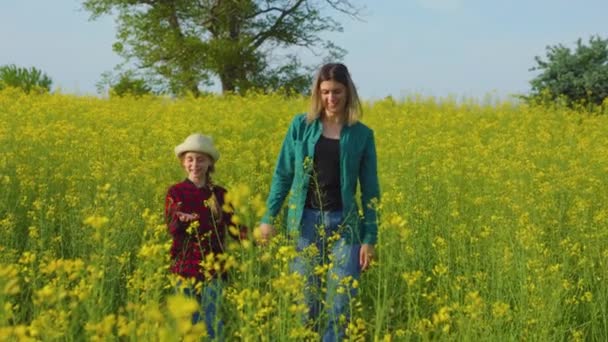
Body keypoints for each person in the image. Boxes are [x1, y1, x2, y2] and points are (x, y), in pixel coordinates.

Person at [258, 63, 380, 341]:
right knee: (305, 304)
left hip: (346, 226)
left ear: (348, 92)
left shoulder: (362, 135)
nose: (331, 98)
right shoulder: (301, 126)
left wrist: (369, 237)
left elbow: (371, 191)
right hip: (305, 223)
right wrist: (268, 218)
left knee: (342, 304)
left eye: (337, 92)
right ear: (317, 93)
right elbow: (283, 174)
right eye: (325, 92)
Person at [165, 133, 246, 340]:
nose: (195, 164)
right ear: (183, 162)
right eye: (190, 159)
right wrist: (180, 219)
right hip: (184, 268)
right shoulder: (176, 192)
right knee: (187, 327)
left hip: (215, 270)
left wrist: (253, 239)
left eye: (200, 159)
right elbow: (171, 228)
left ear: (210, 162)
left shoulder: (219, 194)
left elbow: (233, 226)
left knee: (212, 325)